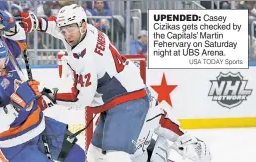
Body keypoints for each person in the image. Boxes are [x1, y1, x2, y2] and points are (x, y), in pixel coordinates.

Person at [17, 4, 211, 162]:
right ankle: (168, 150)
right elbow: (58, 27)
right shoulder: (89, 31)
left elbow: (81, 98)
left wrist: (49, 95)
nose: (67, 34)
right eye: (64, 30)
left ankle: (186, 144)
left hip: (127, 101)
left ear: (82, 25)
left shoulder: (84, 57)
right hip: (119, 99)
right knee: (96, 155)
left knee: (115, 157)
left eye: (71, 29)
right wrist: (35, 22)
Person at [0, 8, 85, 162]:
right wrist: (19, 101)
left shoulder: (4, 60)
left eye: (4, 61)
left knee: (77, 156)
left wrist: (8, 23)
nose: (3, 66)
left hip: (41, 126)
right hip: (14, 145)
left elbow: (20, 38)